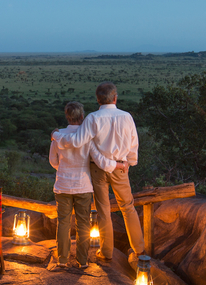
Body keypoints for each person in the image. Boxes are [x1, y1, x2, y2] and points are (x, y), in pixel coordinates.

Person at [51, 82, 143, 261]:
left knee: (103, 210)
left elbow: (77, 141)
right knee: (128, 207)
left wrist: (56, 135)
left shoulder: (92, 118)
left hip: (98, 169)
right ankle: (139, 249)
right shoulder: (126, 117)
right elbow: (134, 144)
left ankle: (106, 251)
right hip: (120, 167)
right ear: (115, 98)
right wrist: (129, 163)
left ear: (98, 99)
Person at [48, 102, 111, 270]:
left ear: (67, 116)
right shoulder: (88, 137)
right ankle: (83, 261)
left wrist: (64, 169)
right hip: (83, 185)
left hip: (63, 185)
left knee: (63, 222)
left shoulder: (58, 136)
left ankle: (62, 259)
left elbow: (53, 161)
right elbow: (95, 159)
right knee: (83, 223)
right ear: (82, 117)